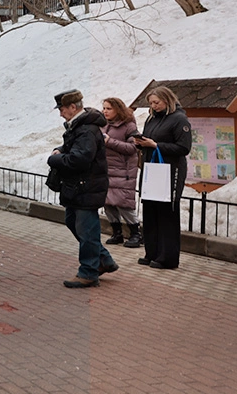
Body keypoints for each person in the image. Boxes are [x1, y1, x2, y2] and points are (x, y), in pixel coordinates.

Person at [47, 90, 118, 288]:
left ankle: (88, 272)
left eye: (61, 109)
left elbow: (80, 159)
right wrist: (62, 150)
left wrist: (55, 159)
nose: (60, 113)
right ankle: (103, 260)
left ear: (73, 107)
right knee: (73, 222)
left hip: (86, 186)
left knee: (87, 230)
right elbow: (74, 148)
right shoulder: (78, 126)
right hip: (79, 187)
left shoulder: (86, 129)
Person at [134, 86, 192, 270]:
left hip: (170, 171)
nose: (153, 106)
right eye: (151, 103)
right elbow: (149, 142)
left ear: (167, 100)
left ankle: (167, 258)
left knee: (167, 214)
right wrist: (141, 144)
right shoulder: (151, 118)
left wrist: (156, 144)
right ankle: (152, 252)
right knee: (150, 212)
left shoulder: (179, 119)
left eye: (156, 102)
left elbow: (184, 148)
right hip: (152, 170)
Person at [101, 97, 142, 248]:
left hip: (123, 171)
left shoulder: (129, 126)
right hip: (106, 170)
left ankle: (135, 234)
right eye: (104, 108)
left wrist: (109, 141)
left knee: (124, 203)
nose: (105, 111)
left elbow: (132, 148)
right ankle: (116, 233)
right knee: (108, 203)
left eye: (109, 108)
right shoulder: (103, 125)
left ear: (118, 109)